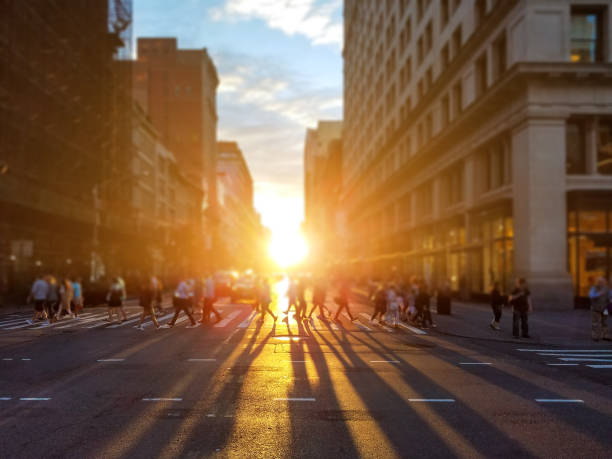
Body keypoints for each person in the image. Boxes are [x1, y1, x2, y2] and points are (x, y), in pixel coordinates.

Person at [588, 277, 610, 342]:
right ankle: (595, 336)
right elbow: (591, 295)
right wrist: (599, 294)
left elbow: (610, 296)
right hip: (595, 308)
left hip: (605, 309)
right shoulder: (594, 288)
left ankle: (604, 335)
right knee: (595, 323)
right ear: (597, 282)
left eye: (602, 282)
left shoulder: (607, 289)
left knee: (605, 322)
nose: (601, 283)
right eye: (599, 282)